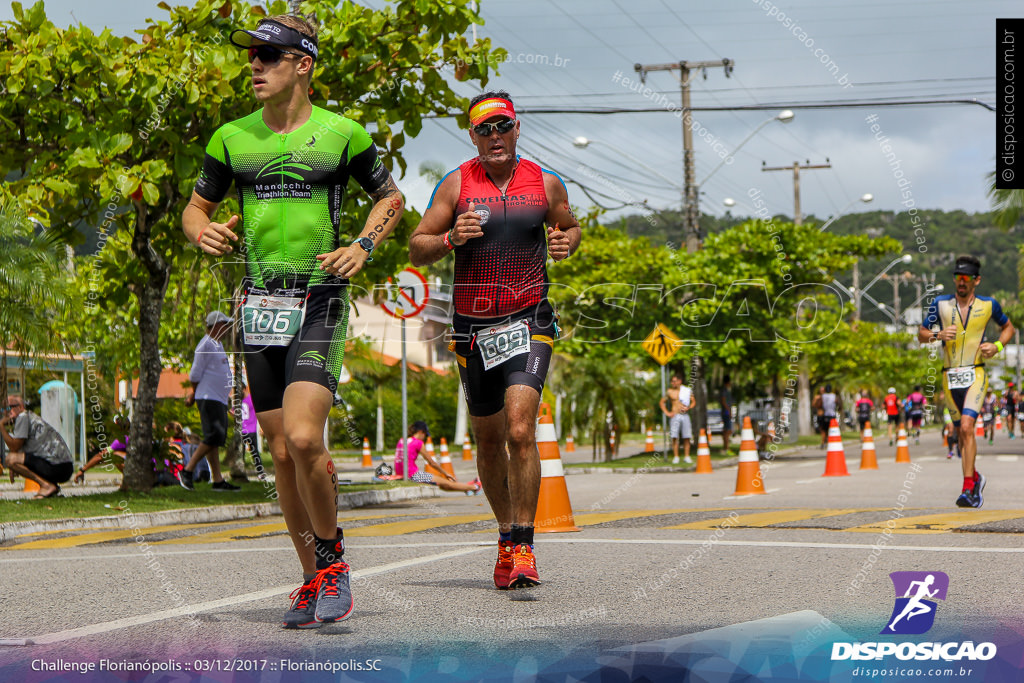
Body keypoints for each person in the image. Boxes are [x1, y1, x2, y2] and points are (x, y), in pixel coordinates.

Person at [183, 13, 404, 627]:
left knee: (306, 437)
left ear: (303, 64)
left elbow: (391, 198)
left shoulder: (344, 135)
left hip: (320, 297)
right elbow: (194, 209)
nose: (254, 64)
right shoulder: (231, 138)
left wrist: (362, 245)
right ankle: (312, 581)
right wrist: (202, 232)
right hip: (259, 304)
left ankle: (334, 565)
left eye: (269, 55)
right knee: (279, 451)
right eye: (251, 55)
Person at [409, 90, 580, 590]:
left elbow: (569, 228)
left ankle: (524, 543)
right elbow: (418, 247)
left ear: (516, 128)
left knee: (521, 429)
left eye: (501, 126)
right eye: (483, 129)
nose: (494, 137)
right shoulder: (456, 184)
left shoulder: (546, 183)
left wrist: (567, 241)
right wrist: (449, 239)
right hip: (472, 328)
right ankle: (506, 534)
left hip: (530, 321)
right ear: (472, 136)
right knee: (487, 438)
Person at [919, 255, 1014, 508]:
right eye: (958, 277)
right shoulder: (940, 304)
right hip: (949, 376)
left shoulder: (988, 305)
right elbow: (921, 334)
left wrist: (997, 346)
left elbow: (1009, 329)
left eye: (967, 278)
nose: (961, 282)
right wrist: (937, 334)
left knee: (968, 427)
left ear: (976, 280)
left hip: (976, 373)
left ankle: (967, 487)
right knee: (961, 433)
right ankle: (975, 478)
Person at [179, 311, 240, 492]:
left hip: (217, 398)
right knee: (214, 436)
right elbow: (195, 375)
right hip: (209, 398)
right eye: (225, 325)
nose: (228, 329)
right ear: (215, 326)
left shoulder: (217, 344)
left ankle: (218, 480)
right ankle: (188, 471)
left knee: (214, 439)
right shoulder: (205, 345)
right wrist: (195, 392)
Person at [0, 396, 73, 498]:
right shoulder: (30, 417)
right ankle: (52, 487)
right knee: (15, 458)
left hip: (58, 467)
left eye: (9, 408)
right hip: (64, 466)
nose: (6, 412)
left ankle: (46, 485)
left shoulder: (22, 417)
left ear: (20, 407)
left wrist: (1, 426)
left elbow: (14, 447)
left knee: (10, 459)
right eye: (3, 409)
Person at [394, 421, 481, 494]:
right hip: (413, 475)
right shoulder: (418, 443)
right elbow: (432, 463)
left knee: (443, 485)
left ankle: (467, 488)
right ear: (421, 432)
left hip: (400, 473)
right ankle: (475, 487)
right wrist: (446, 474)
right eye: (425, 434)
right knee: (447, 483)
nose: (425, 437)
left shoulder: (402, 440)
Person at [659, 373, 695, 464]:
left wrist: (689, 407)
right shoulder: (670, 391)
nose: (673, 383)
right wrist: (667, 413)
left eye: (674, 381)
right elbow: (661, 402)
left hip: (685, 415)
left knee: (687, 436)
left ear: (679, 381)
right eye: (672, 381)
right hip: (675, 415)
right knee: (674, 436)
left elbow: (693, 402)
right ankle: (676, 456)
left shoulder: (686, 390)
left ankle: (687, 456)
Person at [240, 386, 265, 478]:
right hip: (246, 430)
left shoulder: (247, 399)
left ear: (244, 389)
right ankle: (242, 472)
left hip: (249, 430)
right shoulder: (245, 400)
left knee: (253, 452)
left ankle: (259, 472)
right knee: (244, 453)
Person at [719, 375, 734, 452]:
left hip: (726, 411)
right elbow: (724, 401)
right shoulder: (724, 390)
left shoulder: (726, 390)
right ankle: (726, 447)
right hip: (726, 412)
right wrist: (729, 411)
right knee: (728, 430)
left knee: (726, 430)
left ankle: (726, 447)